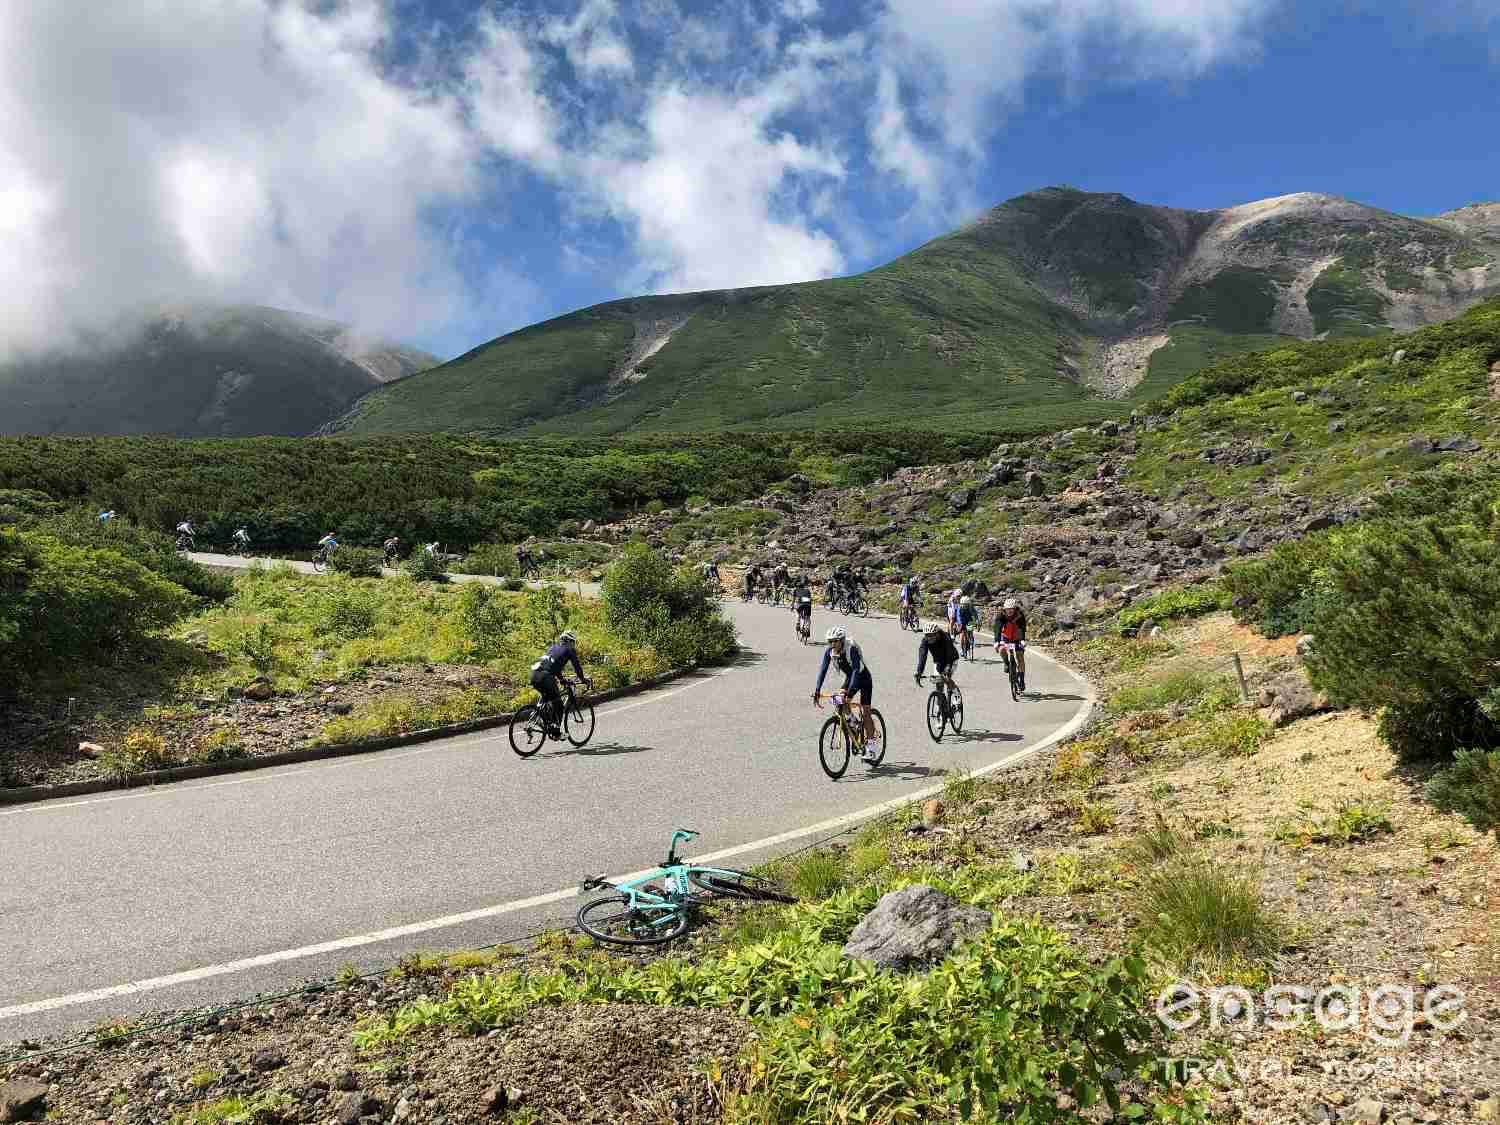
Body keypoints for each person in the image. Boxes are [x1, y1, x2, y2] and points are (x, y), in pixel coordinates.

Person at [812, 626, 878, 761]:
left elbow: (855, 670)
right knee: (839, 702)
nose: (832, 644)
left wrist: (850, 692)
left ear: (841, 641)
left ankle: (871, 747)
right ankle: (853, 723)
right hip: (850, 678)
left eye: (835, 641)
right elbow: (823, 670)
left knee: (866, 713)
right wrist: (817, 690)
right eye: (830, 641)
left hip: (863, 678)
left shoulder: (851, 649)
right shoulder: (829, 652)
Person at [530, 630, 592, 736]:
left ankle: (538, 715)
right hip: (546, 677)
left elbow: (553, 666)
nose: (573, 644)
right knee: (558, 703)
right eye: (573, 642)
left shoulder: (553, 647)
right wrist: (583, 679)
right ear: (569, 641)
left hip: (534, 675)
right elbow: (577, 666)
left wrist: (562, 680)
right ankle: (556, 732)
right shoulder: (569, 650)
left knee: (548, 697)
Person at [994, 597, 1029, 691]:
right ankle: (1006, 662)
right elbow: (997, 628)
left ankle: (1021, 679)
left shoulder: (1020, 615)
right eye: (1007, 609)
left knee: (1020, 657)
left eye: (1011, 609)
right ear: (1004, 609)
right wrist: (996, 641)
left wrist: (1022, 640)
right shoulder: (1001, 615)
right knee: (1001, 650)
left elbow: (1022, 628)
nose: (1009, 611)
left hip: (1017, 638)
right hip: (1005, 637)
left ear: (1015, 609)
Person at [914, 620, 960, 690]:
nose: (928, 638)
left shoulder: (945, 638)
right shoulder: (925, 641)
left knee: (946, 679)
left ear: (937, 634)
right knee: (938, 682)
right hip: (939, 661)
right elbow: (922, 656)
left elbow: (949, 653)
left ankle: (955, 692)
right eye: (927, 635)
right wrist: (919, 672)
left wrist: (948, 667)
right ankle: (940, 698)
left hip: (952, 659)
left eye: (931, 635)